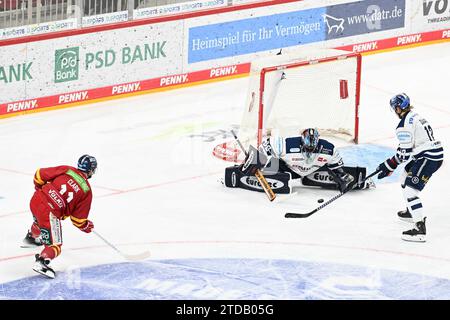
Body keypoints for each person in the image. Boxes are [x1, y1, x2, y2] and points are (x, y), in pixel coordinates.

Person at [376, 93, 443, 242]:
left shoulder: (403, 125)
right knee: (404, 176)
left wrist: (388, 165)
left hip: (428, 157)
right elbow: (406, 148)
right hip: (429, 154)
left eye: (395, 108)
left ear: (398, 108)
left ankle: (420, 228)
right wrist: (390, 165)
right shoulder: (415, 116)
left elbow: (404, 155)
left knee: (410, 191)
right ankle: (411, 210)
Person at [224, 128, 374, 194]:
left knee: (333, 173)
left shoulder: (329, 149)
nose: (309, 151)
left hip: (311, 170)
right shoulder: (289, 144)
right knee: (269, 167)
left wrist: (342, 177)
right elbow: (266, 145)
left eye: (312, 149)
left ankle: (362, 181)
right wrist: (254, 160)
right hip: (287, 168)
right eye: (306, 148)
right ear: (302, 142)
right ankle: (240, 174)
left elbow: (337, 166)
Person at [22, 155, 98, 278]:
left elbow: (39, 175)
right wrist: (86, 226)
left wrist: (39, 188)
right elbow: (78, 220)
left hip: (36, 200)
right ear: (91, 170)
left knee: (39, 222)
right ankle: (42, 261)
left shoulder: (68, 170)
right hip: (50, 213)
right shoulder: (86, 191)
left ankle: (31, 237)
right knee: (55, 246)